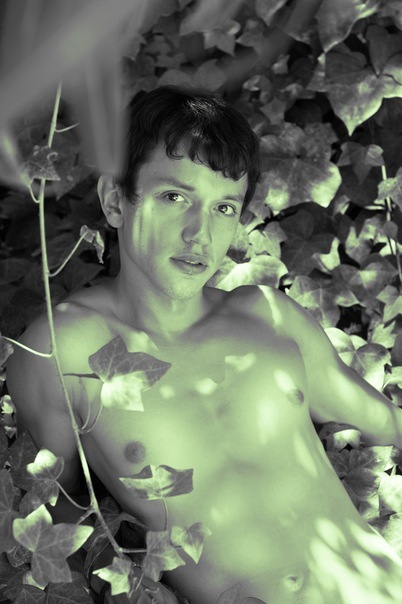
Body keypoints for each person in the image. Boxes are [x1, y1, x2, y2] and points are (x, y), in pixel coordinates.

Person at [6, 85, 402, 604]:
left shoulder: (269, 317)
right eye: (175, 197)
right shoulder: (63, 349)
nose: (200, 233)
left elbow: (388, 426)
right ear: (115, 201)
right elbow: (50, 514)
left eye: (224, 208)